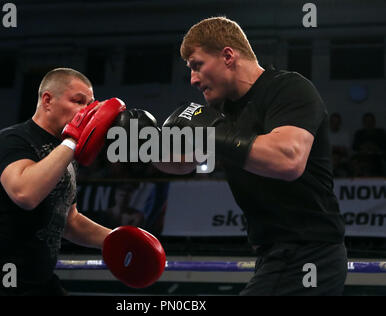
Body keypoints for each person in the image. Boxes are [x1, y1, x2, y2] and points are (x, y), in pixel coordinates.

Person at [125, 17, 347, 295]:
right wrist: (146, 142)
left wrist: (209, 132)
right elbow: (182, 163)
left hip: (311, 255)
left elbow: (288, 159)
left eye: (197, 65)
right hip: (274, 254)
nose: (193, 79)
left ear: (228, 55)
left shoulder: (289, 88)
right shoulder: (223, 111)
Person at [0, 68, 165, 296]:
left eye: (90, 104)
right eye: (78, 101)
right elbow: (25, 194)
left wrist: (115, 239)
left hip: (37, 281)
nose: (86, 111)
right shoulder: (12, 140)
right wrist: (72, 141)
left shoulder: (65, 154)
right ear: (47, 100)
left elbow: (68, 220)